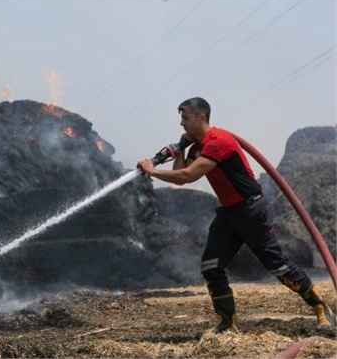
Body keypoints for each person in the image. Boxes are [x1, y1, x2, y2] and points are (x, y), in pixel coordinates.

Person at [137, 96, 335, 334]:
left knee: (278, 266)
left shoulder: (219, 142)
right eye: (181, 119)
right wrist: (181, 148)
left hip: (252, 211)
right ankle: (227, 323)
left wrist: (152, 170)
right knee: (211, 267)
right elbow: (180, 172)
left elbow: (186, 176)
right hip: (229, 214)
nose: (182, 124)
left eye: (185, 118)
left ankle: (321, 308)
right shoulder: (199, 146)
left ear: (201, 117)